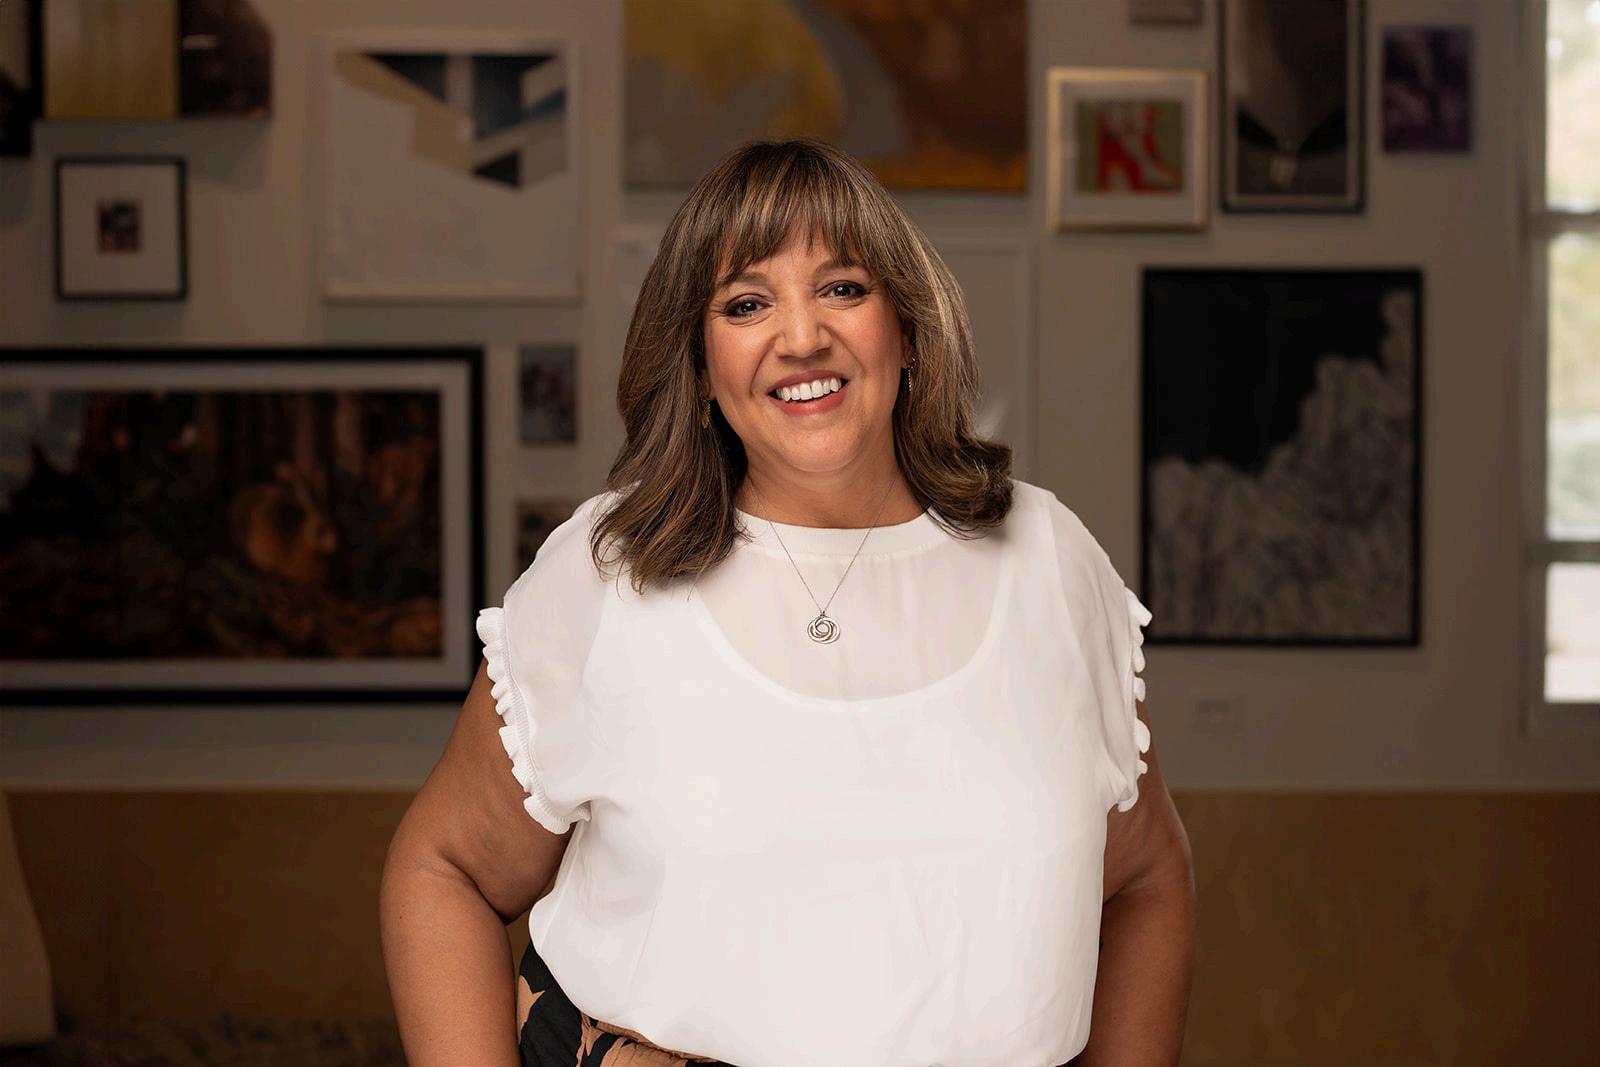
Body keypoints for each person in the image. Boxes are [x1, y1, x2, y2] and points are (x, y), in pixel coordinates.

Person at [380, 139, 1195, 1067]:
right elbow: (443, 868)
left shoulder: (1049, 562)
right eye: (746, 303)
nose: (802, 336)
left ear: (907, 326)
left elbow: (1146, 877)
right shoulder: (609, 573)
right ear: (699, 363)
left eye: (843, 287)